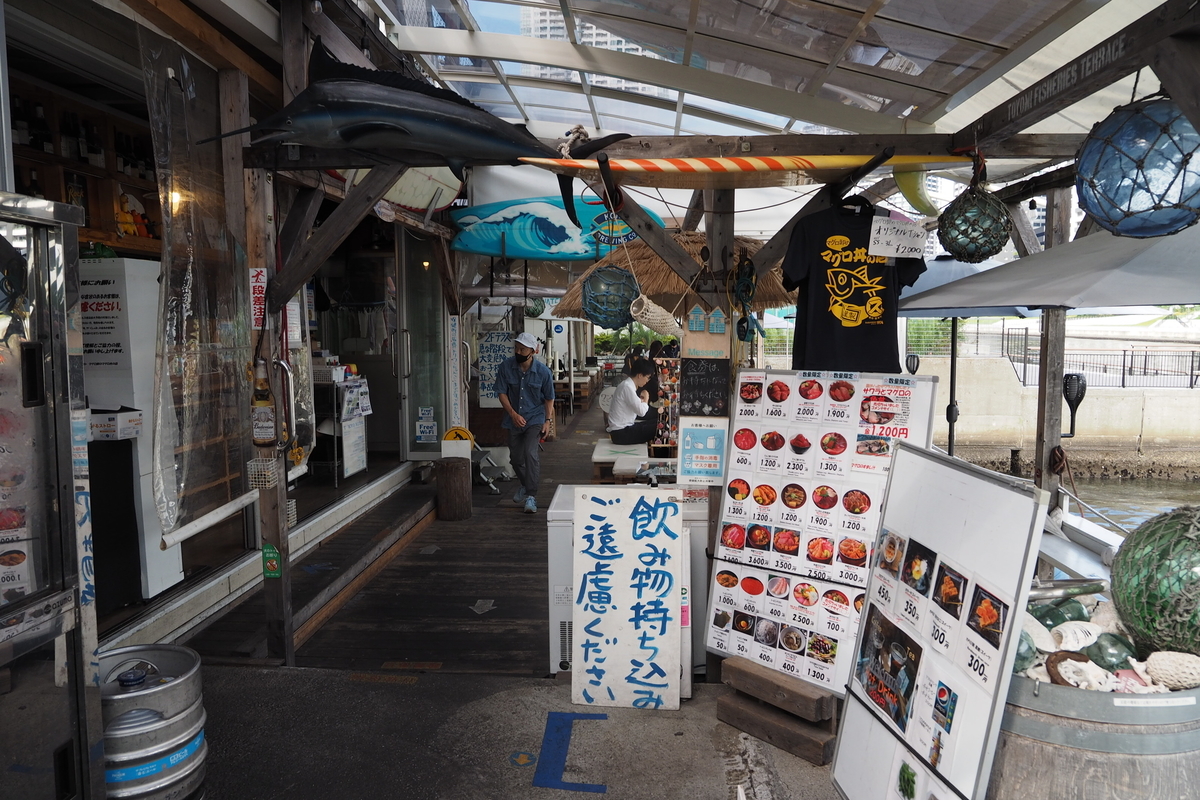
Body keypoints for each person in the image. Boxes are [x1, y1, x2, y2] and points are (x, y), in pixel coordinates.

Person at [494, 331, 555, 513]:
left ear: (533, 351)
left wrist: (547, 421)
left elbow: (549, 398)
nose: (518, 352)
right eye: (516, 348)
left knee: (530, 454)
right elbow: (501, 393)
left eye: (522, 349)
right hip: (514, 419)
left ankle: (531, 496)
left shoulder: (544, 372)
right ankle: (525, 484)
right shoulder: (506, 367)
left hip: (535, 418)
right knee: (515, 459)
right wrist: (512, 414)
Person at [607, 358, 657, 444]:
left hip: (624, 429)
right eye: (647, 377)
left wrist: (642, 401)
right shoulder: (627, 387)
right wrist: (646, 398)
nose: (647, 381)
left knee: (658, 422)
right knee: (658, 427)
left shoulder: (627, 385)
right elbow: (641, 412)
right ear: (640, 375)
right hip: (621, 433)